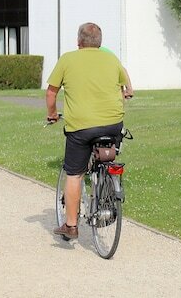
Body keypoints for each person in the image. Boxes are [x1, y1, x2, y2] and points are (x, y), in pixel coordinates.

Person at [46, 23, 130, 240]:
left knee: (74, 174)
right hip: (113, 124)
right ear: (100, 42)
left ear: (79, 41)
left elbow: (51, 93)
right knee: (107, 158)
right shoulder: (111, 59)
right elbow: (123, 89)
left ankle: (71, 226)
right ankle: (106, 192)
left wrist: (52, 114)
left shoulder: (67, 59)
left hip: (81, 127)